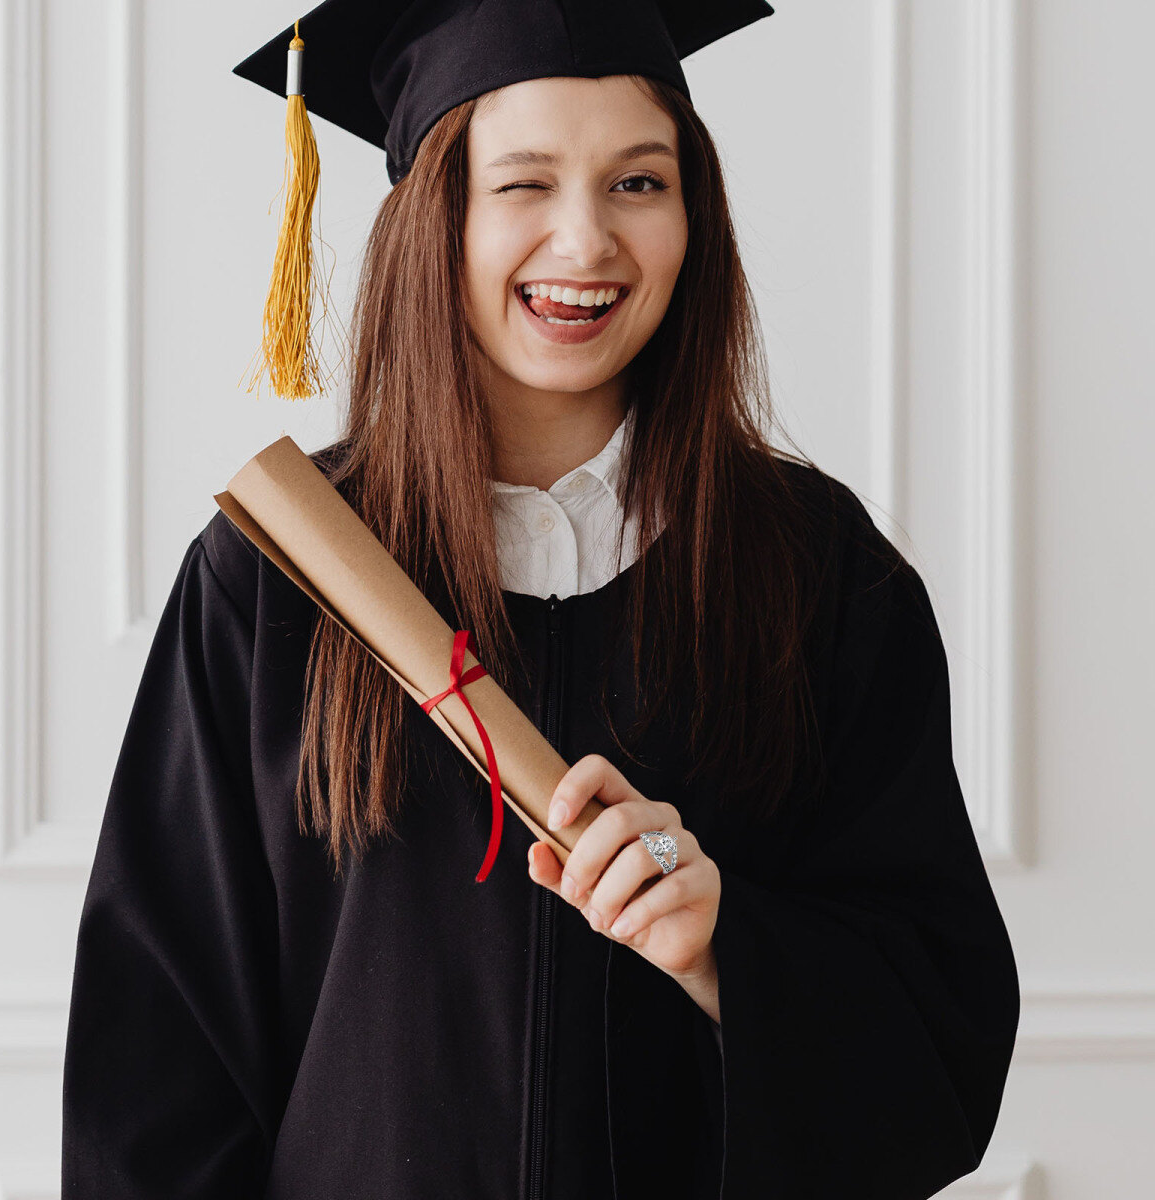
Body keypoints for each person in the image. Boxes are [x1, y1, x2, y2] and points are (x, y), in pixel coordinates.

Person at [61, 2, 1021, 1197]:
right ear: (434, 214)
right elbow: (156, 1074)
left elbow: (940, 1039)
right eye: (522, 184)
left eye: (638, 181)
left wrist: (727, 946)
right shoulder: (278, 579)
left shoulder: (819, 575)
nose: (586, 241)